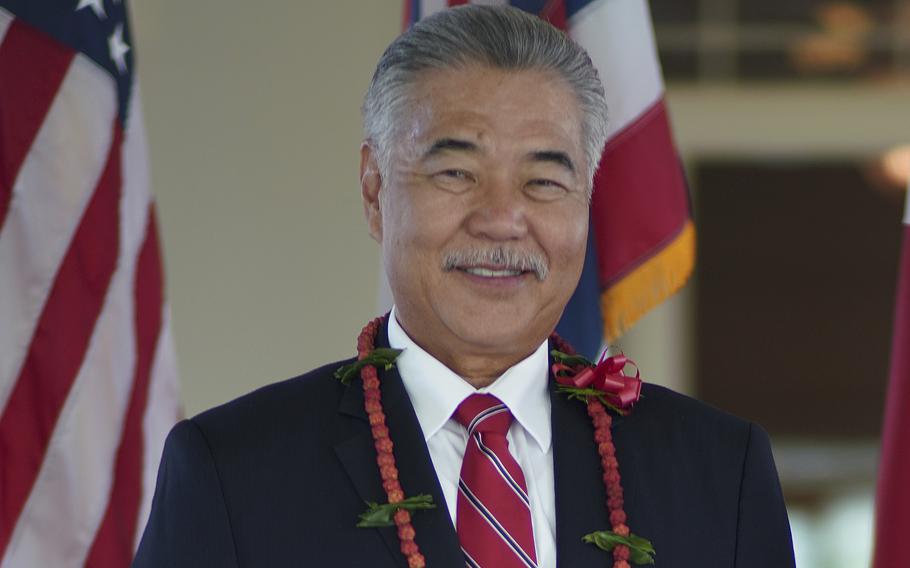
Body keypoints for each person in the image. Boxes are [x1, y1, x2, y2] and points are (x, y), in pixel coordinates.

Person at [133, 6, 795, 567]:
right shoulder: (234, 473)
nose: (502, 218)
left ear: (589, 196)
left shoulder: (717, 473)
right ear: (374, 189)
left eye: (543, 181)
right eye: (456, 173)